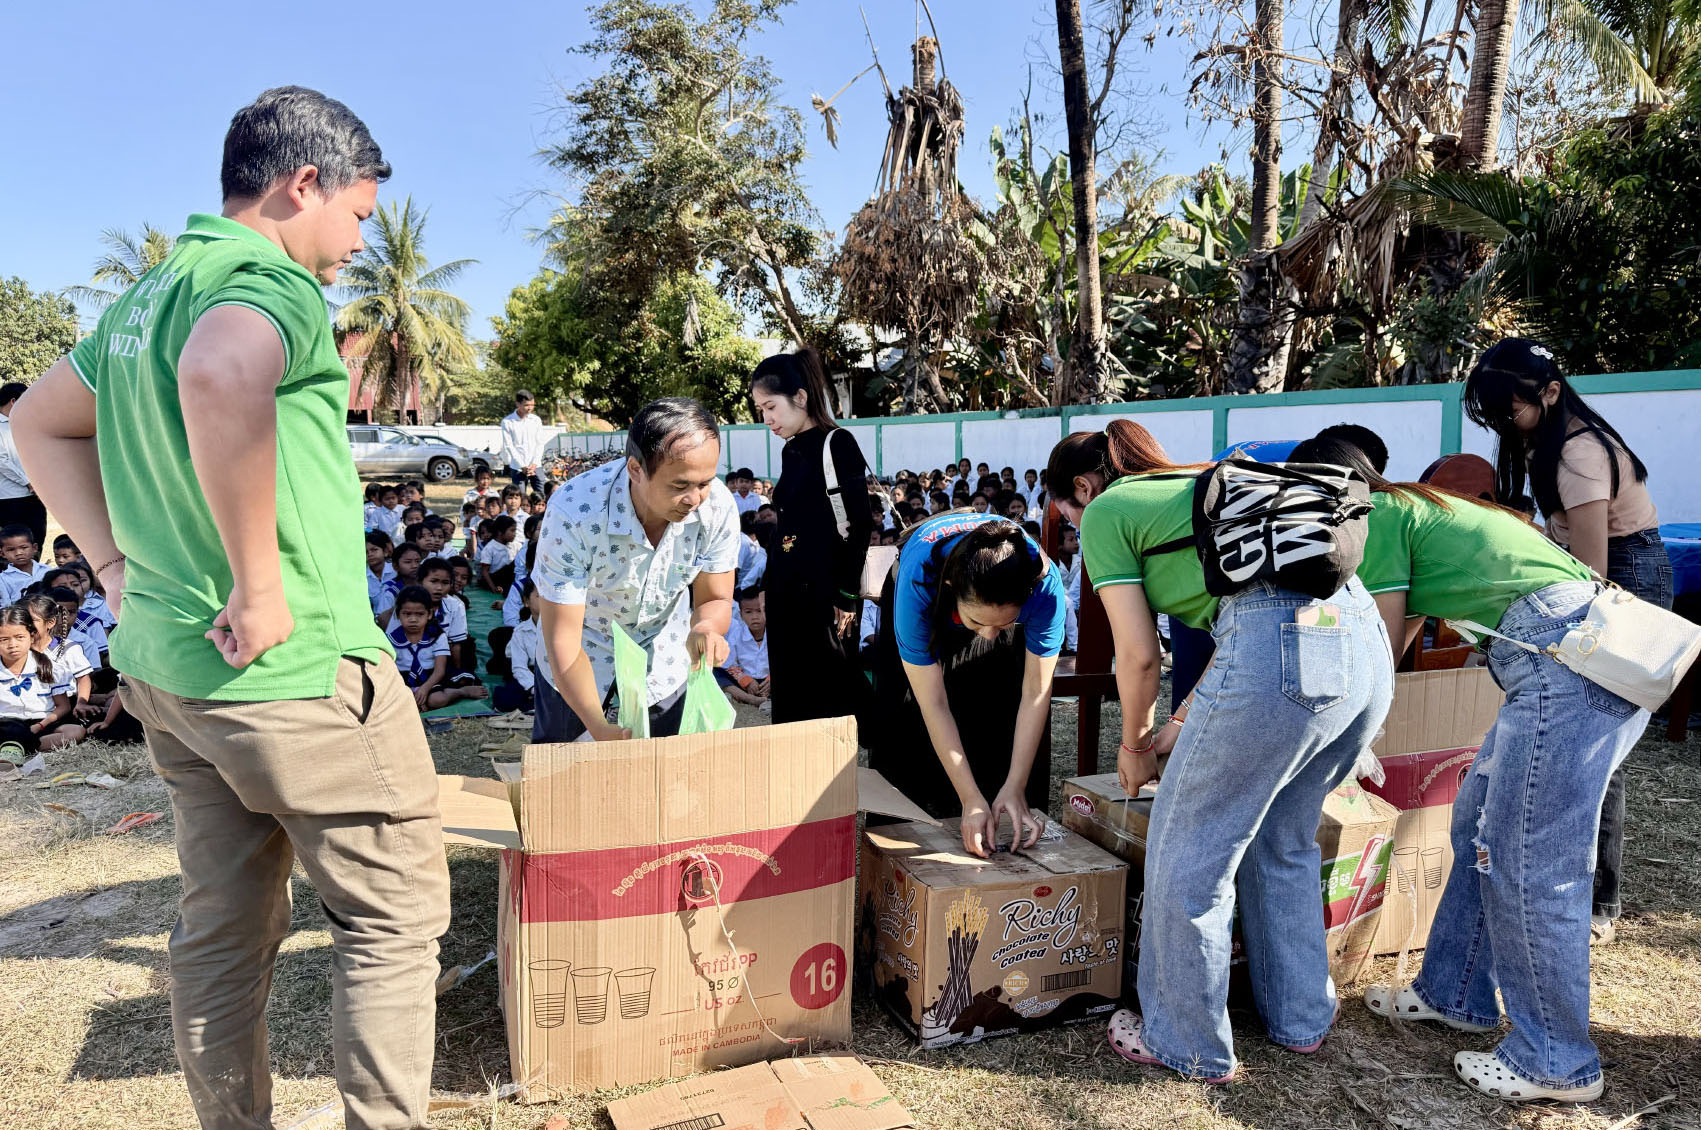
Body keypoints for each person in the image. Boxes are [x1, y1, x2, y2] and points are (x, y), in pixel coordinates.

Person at [11, 86, 448, 1130]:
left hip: (171, 670)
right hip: (292, 670)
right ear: (304, 184)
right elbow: (218, 371)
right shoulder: (268, 279)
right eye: (357, 215)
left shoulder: (147, 296)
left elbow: (36, 419)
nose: (356, 245)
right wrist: (259, 586)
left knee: (222, 926)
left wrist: (111, 565)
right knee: (390, 919)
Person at [1290, 437, 1645, 1103]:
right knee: (1476, 824)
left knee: (1529, 863)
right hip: (1571, 656)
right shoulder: (1414, 510)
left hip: (1564, 667)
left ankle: (1555, 1060)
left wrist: (1345, 735)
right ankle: (1454, 990)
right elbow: (1404, 628)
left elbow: (1380, 645)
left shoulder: (1376, 519)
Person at [1048, 420, 1393, 1084]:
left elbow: (1139, 655)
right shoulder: (1201, 483)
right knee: (1283, 841)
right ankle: (1300, 1018)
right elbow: (1248, 627)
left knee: (1187, 851)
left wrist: (1133, 744)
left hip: (1273, 644)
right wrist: (1183, 719)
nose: (1072, 528)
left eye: (1066, 514)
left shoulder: (1109, 512)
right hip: (1358, 638)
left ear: (1084, 488)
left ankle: (1183, 1040)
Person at [1465, 338, 1671, 946]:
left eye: (1511, 410)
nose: (1506, 425)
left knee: (1596, 748)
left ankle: (1597, 900)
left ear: (1551, 392)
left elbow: (1590, 573)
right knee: (1582, 744)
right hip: (1599, 576)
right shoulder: (1547, 442)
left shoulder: (1580, 453)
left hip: (1622, 581)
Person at [530, 397, 738, 743]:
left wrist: (706, 628)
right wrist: (598, 727)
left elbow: (715, 598)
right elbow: (563, 638)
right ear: (636, 469)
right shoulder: (574, 512)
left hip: (664, 657)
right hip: (581, 650)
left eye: (705, 483)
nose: (695, 499)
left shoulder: (718, 508)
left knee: (663, 768)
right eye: (680, 486)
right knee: (564, 767)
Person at [867, 511, 1066, 856]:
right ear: (951, 589)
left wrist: (1016, 783)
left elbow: (1036, 692)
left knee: (996, 710)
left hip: (992, 598)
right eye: (977, 622)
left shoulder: (1044, 588)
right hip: (924, 593)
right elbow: (933, 703)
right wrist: (970, 797)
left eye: (1003, 625)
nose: (988, 636)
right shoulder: (919, 583)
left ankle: (1006, 804)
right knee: (906, 719)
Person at [750, 348, 874, 725]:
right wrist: (768, 586)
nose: (767, 419)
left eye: (771, 407)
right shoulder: (790, 451)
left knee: (828, 700)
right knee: (792, 700)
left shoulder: (837, 443)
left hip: (825, 598)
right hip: (786, 595)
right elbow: (788, 528)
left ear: (800, 397)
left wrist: (847, 597)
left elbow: (860, 524)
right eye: (761, 410)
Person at [0, 384, 48, 550]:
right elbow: (2, 461)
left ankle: (36, 567)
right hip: (10, 498)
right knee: (15, 544)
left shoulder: (24, 424)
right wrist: (27, 482)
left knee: (37, 538)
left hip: (34, 494)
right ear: (13, 401)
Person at [721, 587, 771, 707]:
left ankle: (764, 694)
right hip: (744, 681)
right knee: (716, 673)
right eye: (748, 612)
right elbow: (729, 663)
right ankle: (749, 699)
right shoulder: (736, 634)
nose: (755, 617)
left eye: (759, 611)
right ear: (741, 615)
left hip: (768, 680)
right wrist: (745, 680)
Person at [500, 389, 546, 494]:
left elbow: (540, 443)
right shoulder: (507, 422)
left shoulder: (536, 420)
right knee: (519, 497)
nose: (530, 408)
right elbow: (509, 446)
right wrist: (522, 466)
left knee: (542, 496)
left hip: (536, 466)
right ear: (518, 404)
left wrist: (534, 463)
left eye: (532, 405)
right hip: (518, 467)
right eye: (526, 405)